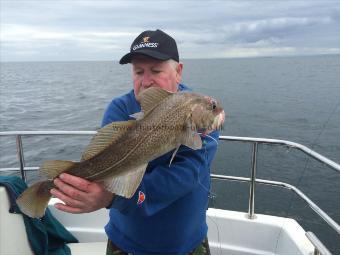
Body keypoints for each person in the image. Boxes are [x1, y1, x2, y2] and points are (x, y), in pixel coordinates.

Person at [50, 29, 219, 255]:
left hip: (185, 245)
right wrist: (86, 189)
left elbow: (185, 176)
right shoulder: (120, 108)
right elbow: (103, 160)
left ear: (178, 72)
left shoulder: (199, 109)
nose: (146, 81)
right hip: (125, 242)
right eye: (139, 72)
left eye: (156, 71)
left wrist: (110, 198)